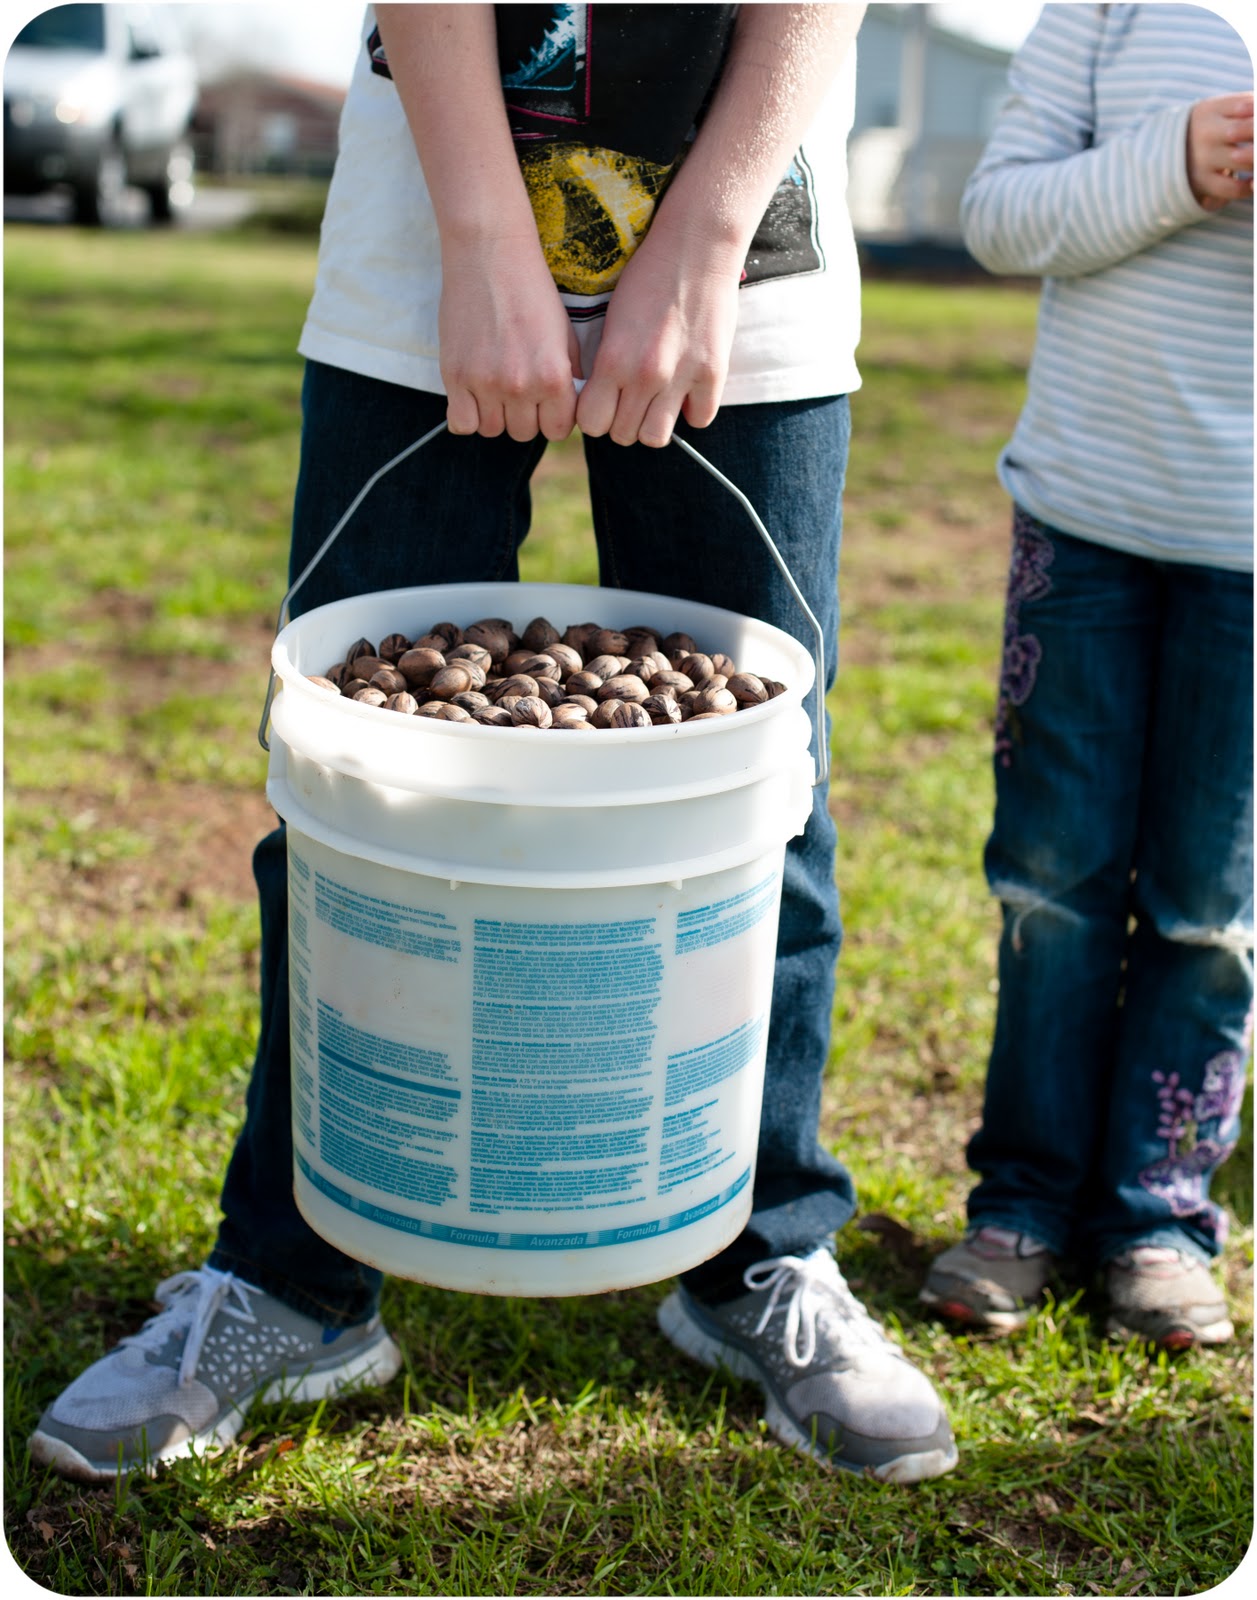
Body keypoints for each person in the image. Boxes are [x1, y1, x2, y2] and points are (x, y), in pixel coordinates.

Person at [29, 2, 957, 1486]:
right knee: (349, 775)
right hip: (430, 233)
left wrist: (705, 240)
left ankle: (758, 1255)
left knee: (762, 790)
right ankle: (291, 1278)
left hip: (752, 247)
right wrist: (479, 242)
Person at [919, 3, 1253, 1350]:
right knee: (1051, 884)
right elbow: (998, 218)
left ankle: (1158, 1216)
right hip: (1084, 524)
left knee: (1207, 908)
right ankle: (1023, 1201)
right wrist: (1171, 163)